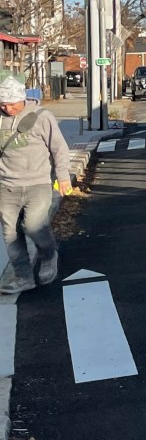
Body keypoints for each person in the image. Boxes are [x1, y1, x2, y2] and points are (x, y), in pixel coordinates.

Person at [0, 76, 71, 294]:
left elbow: (59, 148)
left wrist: (63, 176)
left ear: (22, 99)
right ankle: (23, 277)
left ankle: (49, 255)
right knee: (10, 234)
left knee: (33, 226)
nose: (7, 108)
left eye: (12, 103)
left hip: (37, 184)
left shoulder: (42, 117)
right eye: (2, 104)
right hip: (6, 186)